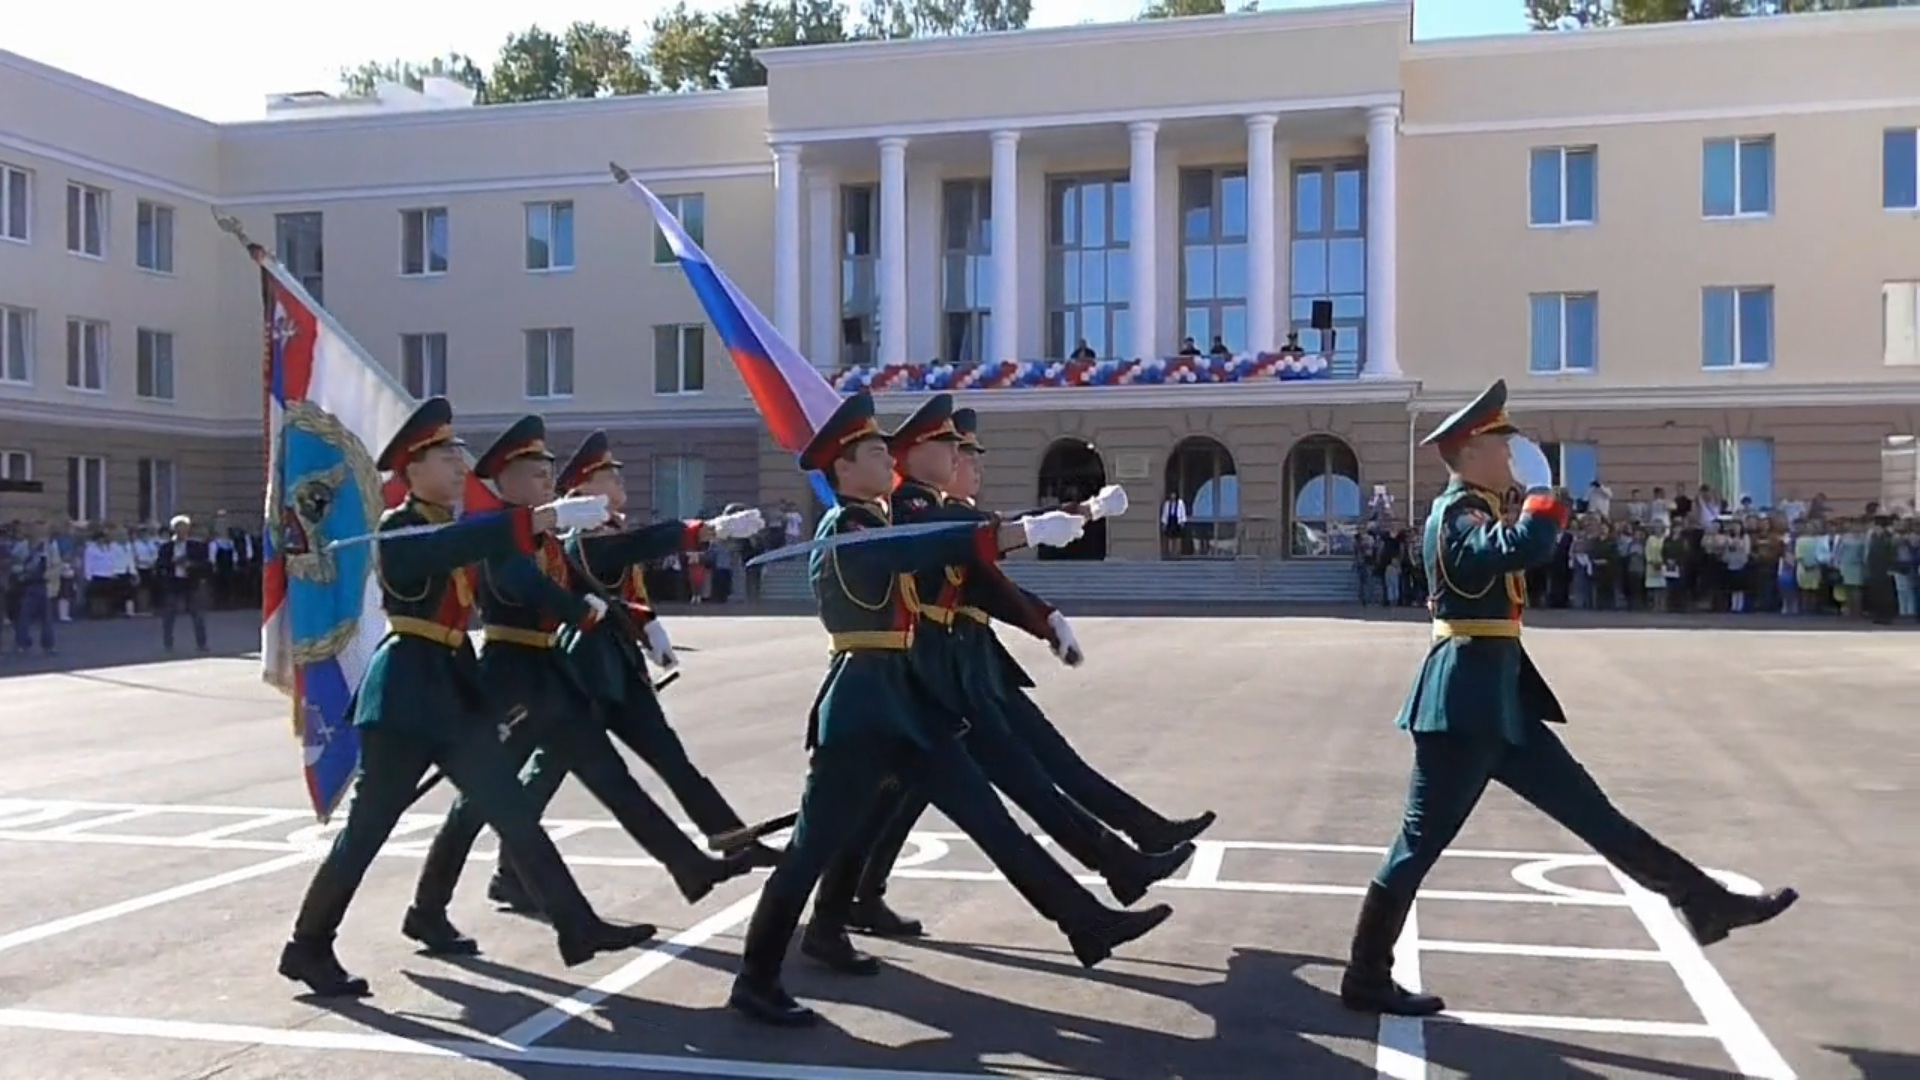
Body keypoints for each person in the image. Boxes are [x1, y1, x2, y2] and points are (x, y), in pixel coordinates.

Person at [1338, 379, 1799, 1018]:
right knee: (1418, 843)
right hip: (1465, 703)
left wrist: (1534, 496)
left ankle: (1701, 900)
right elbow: (1520, 548)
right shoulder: (1457, 514)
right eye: (1503, 444)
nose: (1513, 454)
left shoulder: (1479, 504)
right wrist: (1544, 494)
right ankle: (1365, 976)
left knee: (1594, 814)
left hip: (1499, 700)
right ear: (1472, 451)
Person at [727, 392, 1172, 1027]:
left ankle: (1086, 922)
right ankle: (755, 979)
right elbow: (917, 552)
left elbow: (939, 545)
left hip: (907, 704)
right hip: (859, 707)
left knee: (994, 822)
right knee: (808, 853)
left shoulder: (884, 522)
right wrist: (1013, 532)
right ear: (844, 470)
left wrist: (1022, 531)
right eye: (877, 453)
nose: (889, 462)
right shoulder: (847, 528)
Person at [277, 397, 658, 998]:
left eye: (459, 455)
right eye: (445, 457)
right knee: (369, 829)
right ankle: (308, 945)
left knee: (509, 809)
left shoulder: (452, 527)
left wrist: (559, 534)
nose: (460, 467)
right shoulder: (403, 529)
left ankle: (575, 924)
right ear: (412, 468)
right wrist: (531, 520)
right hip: (405, 691)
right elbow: (445, 552)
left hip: (452, 686)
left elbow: (513, 565)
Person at [813, 399, 1211, 959]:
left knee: (943, 800)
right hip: (914, 679)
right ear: (911, 454)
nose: (960, 457)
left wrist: (1044, 612)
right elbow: (953, 538)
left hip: (939, 680)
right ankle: (815, 927)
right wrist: (1052, 523)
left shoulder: (933, 509)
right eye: (950, 447)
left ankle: (1102, 891)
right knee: (968, 801)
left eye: (962, 449)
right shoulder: (903, 510)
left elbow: (977, 573)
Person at [406, 416, 757, 952]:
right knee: (478, 802)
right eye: (537, 473)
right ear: (508, 481)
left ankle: (688, 868)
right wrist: (582, 613)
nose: (549, 481)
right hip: (508, 676)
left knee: (611, 776)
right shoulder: (502, 531)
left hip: (550, 674)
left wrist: (634, 614)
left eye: (550, 472)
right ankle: (427, 909)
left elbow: (600, 581)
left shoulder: (546, 536)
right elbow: (524, 585)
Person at [479, 430, 780, 915]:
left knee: (668, 754)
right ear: (584, 489)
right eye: (608, 475)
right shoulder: (584, 540)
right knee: (549, 771)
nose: (620, 481)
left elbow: (623, 589)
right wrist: (706, 531)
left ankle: (728, 836)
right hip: (584, 669)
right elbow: (634, 550)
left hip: (618, 664)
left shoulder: (601, 533)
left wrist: (647, 625)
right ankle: (509, 872)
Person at [153, 514, 211, 653]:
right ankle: (168, 644)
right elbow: (159, 565)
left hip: (191, 583)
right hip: (173, 583)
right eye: (178, 529)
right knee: (169, 615)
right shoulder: (166, 547)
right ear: (173, 530)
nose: (182, 532)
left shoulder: (197, 546)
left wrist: (192, 565)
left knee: (197, 615)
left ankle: (202, 644)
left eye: (184, 528)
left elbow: (206, 565)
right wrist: (172, 563)